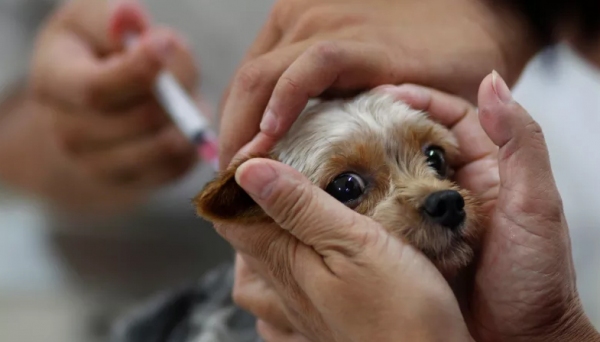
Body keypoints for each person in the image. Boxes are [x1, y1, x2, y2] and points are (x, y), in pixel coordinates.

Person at [0, 0, 599, 341]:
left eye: (435, 159)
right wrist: (85, 132)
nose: (438, 194)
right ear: (248, 207)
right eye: (348, 188)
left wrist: (509, 13)